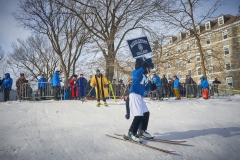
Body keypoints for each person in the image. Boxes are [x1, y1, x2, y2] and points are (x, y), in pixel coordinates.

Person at [125, 57, 156, 142]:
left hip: (140, 96)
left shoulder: (146, 77)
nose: (148, 69)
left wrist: (152, 88)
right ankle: (131, 133)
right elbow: (136, 75)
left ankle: (142, 130)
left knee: (146, 113)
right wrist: (142, 67)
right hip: (134, 94)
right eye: (147, 67)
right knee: (139, 115)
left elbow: (146, 89)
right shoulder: (136, 72)